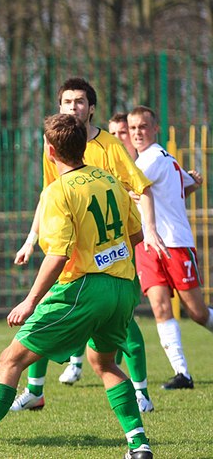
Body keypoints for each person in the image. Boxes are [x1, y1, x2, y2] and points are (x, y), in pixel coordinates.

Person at [0, 113, 153, 459]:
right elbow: (136, 233)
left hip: (83, 289)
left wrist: (30, 301)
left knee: (11, 360)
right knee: (105, 363)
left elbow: (58, 254)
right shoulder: (110, 180)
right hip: (124, 287)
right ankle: (139, 446)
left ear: (49, 150)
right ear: (84, 146)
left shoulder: (57, 192)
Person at [12, 78, 166, 413]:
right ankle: (36, 391)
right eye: (67, 102)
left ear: (91, 108)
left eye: (79, 102)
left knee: (123, 326)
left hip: (108, 254)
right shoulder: (53, 148)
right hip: (72, 253)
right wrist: (30, 238)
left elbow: (141, 189)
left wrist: (149, 230)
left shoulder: (109, 145)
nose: (73, 107)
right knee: (44, 319)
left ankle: (141, 392)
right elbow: (47, 195)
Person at [127, 105, 212, 390]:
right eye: (133, 128)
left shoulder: (150, 158)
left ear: (155, 129)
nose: (137, 132)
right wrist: (193, 183)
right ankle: (182, 374)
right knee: (160, 307)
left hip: (174, 241)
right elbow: (183, 187)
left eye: (143, 127)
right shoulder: (162, 158)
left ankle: (183, 373)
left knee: (197, 313)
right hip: (148, 244)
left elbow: (133, 187)